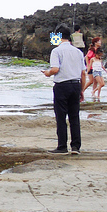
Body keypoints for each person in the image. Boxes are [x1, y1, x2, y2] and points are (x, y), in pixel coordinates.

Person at [42, 26, 87, 154]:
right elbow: (83, 73)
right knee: (74, 117)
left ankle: (62, 146)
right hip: (75, 84)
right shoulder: (78, 52)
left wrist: (47, 73)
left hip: (62, 85)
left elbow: (55, 69)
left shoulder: (56, 51)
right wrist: (82, 90)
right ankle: (75, 146)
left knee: (61, 117)